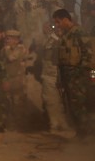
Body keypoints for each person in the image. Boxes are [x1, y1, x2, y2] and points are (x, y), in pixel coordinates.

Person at [53, 8, 94, 138]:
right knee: (73, 106)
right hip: (68, 78)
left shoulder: (79, 33)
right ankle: (81, 133)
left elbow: (90, 55)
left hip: (79, 78)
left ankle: (86, 135)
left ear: (66, 19)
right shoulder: (66, 35)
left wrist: (86, 76)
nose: (57, 25)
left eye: (58, 22)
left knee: (81, 106)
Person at [37, 22, 76, 138]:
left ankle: (63, 123)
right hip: (49, 74)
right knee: (50, 100)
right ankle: (54, 124)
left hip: (62, 74)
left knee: (62, 100)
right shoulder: (48, 40)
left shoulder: (65, 39)